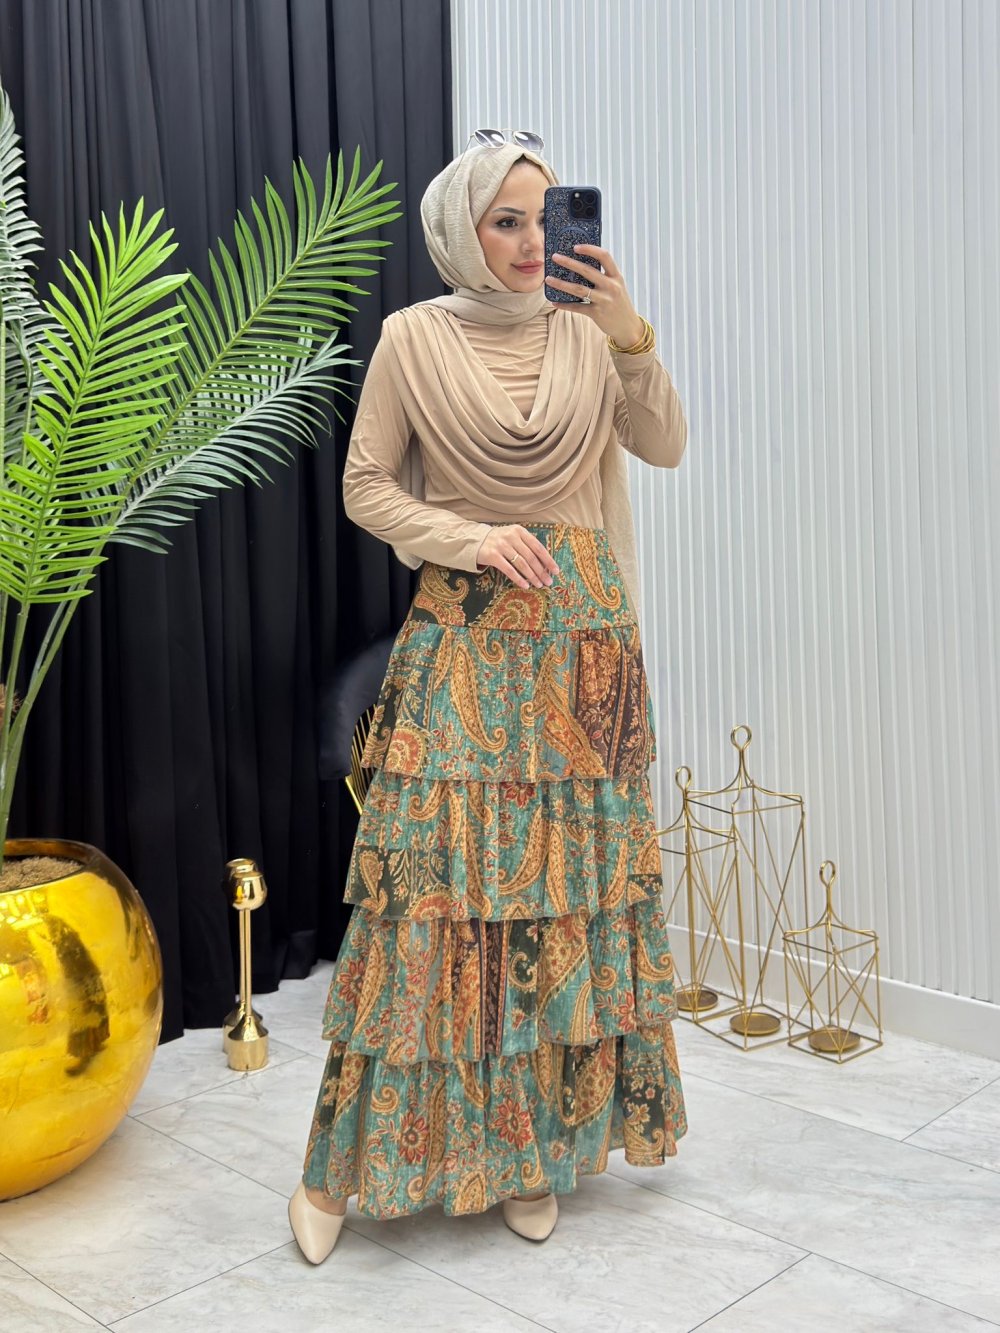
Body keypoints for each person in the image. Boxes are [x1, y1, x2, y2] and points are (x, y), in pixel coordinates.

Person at [288, 131, 688, 1263]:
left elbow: (664, 444)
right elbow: (366, 485)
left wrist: (629, 331)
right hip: (463, 636)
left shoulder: (588, 331)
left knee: (561, 913)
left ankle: (530, 1153)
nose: (526, 241)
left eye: (541, 218)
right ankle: (338, 1170)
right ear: (462, 229)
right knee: (426, 907)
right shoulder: (413, 338)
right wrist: (467, 536)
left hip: (582, 642)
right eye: (504, 219)